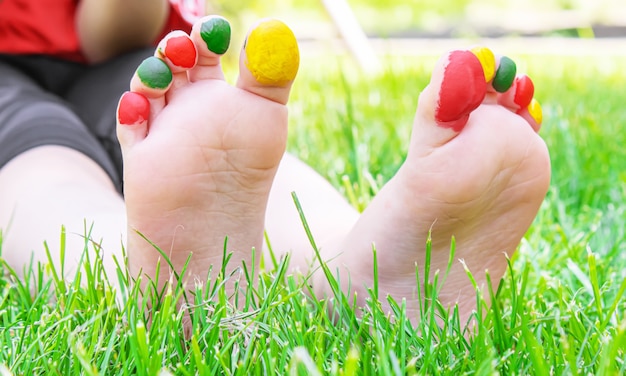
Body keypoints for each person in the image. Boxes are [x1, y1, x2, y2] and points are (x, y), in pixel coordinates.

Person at [0, 0, 551, 326]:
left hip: (130, 52)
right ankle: (136, 279)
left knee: (205, 133)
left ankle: (358, 267)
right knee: (42, 157)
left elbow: (105, 35)